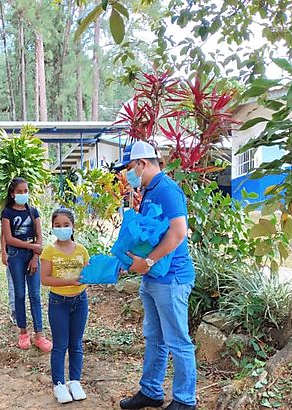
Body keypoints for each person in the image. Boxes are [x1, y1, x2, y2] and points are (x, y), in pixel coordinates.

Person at [115, 141, 197, 410]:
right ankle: (151, 391)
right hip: (153, 278)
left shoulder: (167, 190)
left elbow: (178, 232)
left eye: (129, 167)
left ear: (143, 163)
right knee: (155, 337)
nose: (127, 173)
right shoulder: (149, 191)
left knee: (177, 339)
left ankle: (185, 401)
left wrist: (148, 261)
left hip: (171, 278)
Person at [40, 208, 90, 404]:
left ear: (73, 226)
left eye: (66, 225)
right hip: (58, 302)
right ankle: (59, 384)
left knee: (76, 344)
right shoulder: (49, 251)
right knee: (60, 345)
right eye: (58, 226)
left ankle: (75, 381)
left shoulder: (82, 250)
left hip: (80, 301)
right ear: (52, 228)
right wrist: (71, 281)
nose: (62, 229)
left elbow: (87, 274)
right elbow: (45, 279)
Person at [0, 178, 52, 352]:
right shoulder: (7, 213)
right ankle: (23, 332)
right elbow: (9, 239)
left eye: (26, 191)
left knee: (35, 295)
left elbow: (39, 235)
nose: (23, 194)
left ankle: (39, 334)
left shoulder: (33, 211)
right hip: (15, 256)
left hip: (32, 257)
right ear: (12, 194)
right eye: (19, 192)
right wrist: (32, 247)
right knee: (20, 294)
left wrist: (35, 256)